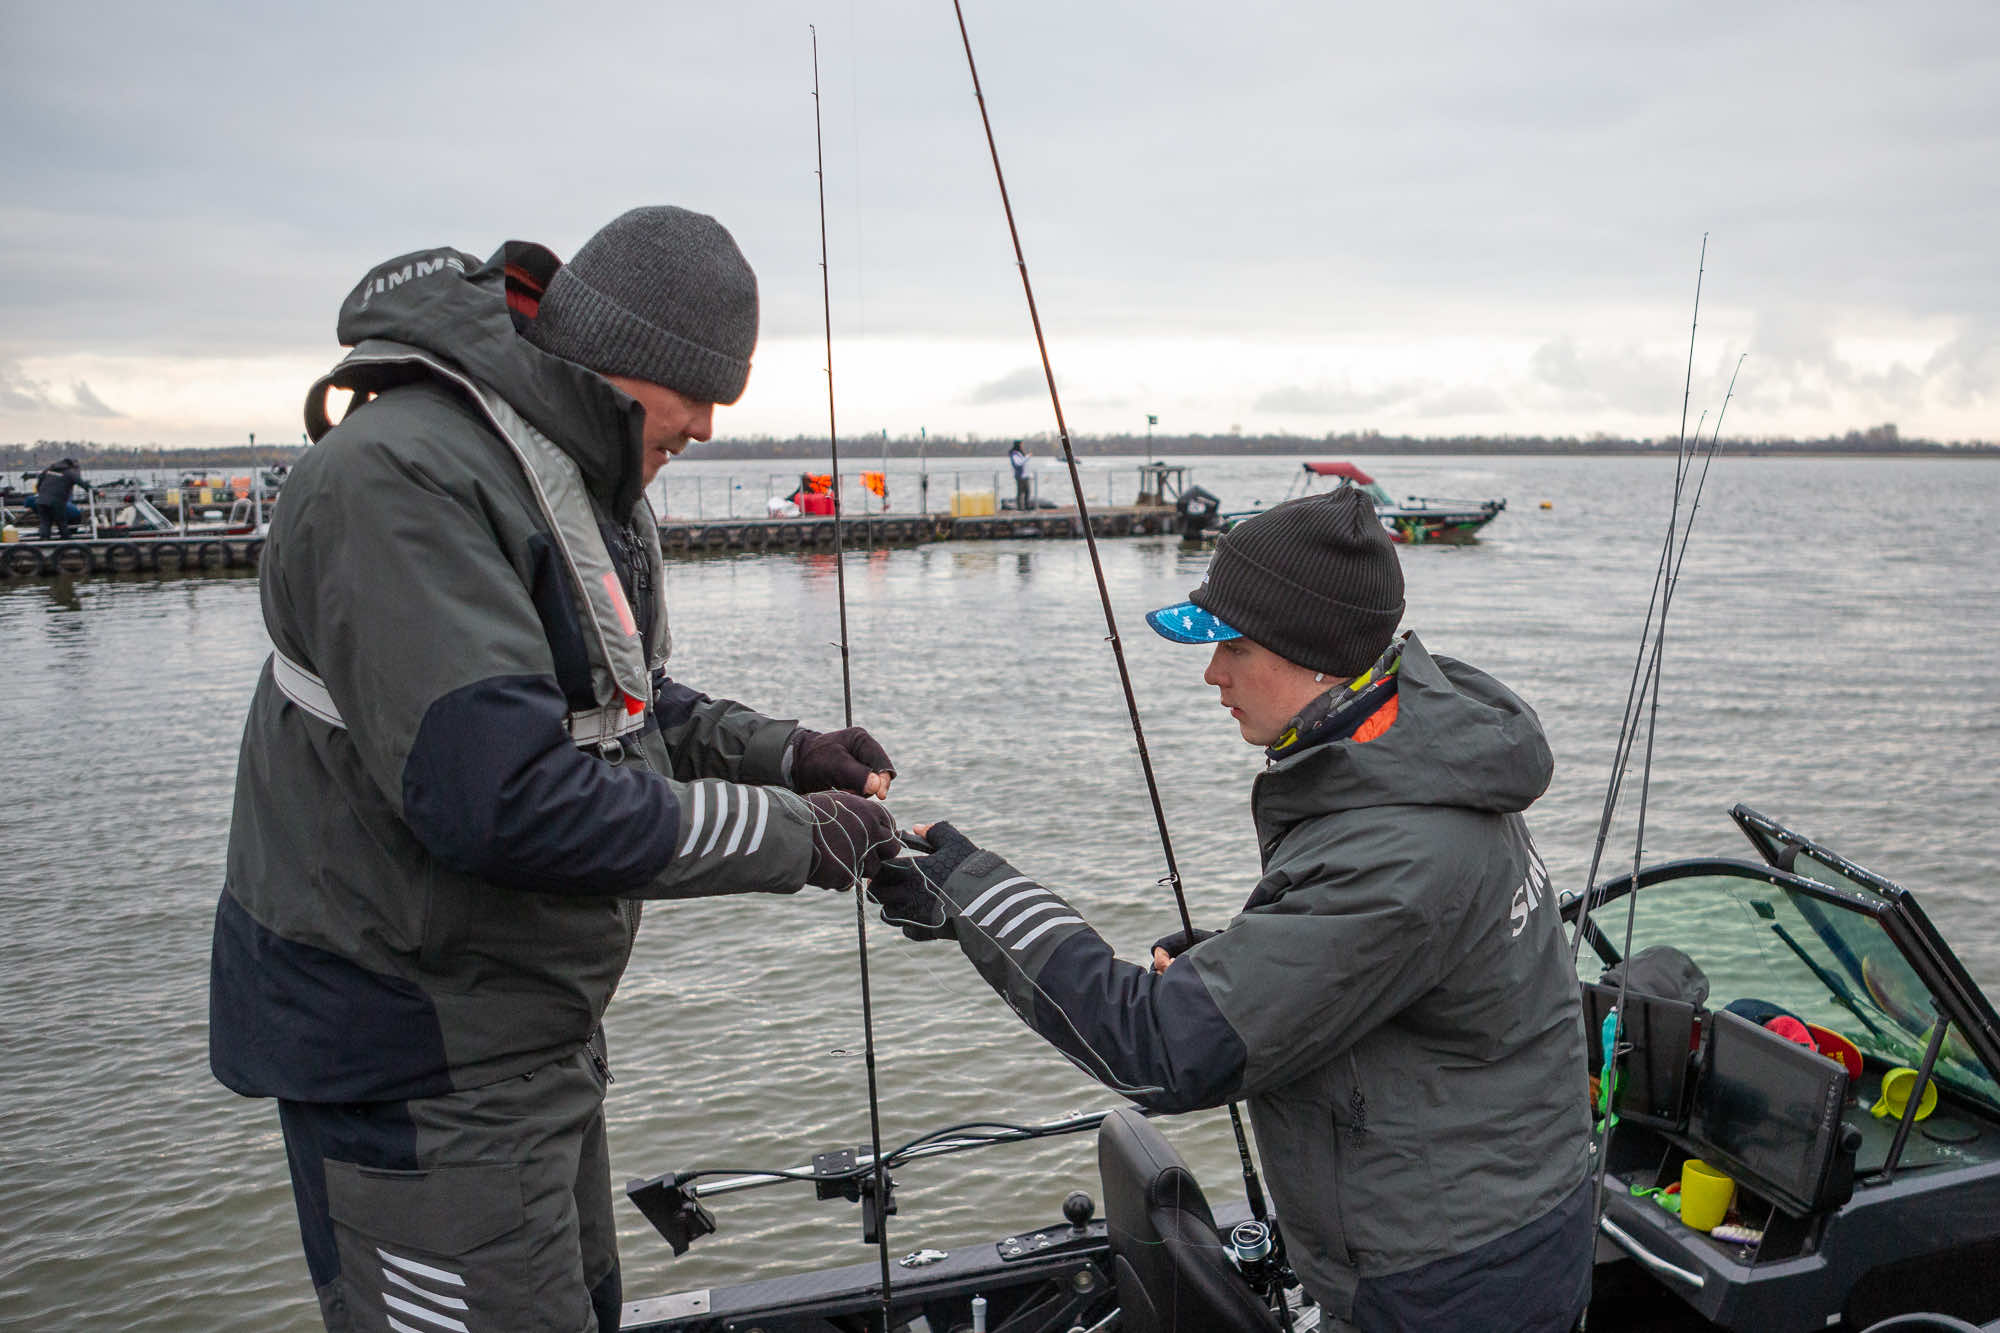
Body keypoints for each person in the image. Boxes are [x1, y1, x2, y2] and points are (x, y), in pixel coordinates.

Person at [209, 206, 902, 1333]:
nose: (710, 427)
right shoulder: (403, 477)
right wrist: (796, 837)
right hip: (416, 1056)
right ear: (625, 360)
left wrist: (787, 754)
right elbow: (504, 800)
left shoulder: (542, 463)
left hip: (523, 1032)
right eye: (698, 398)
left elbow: (611, 706)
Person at [870, 488, 1592, 1332]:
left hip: (1454, 1276)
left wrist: (976, 892)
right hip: (1478, 1225)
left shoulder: (1400, 848)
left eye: (1234, 647)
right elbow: (1392, 960)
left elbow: (1163, 1048)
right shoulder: (1414, 743)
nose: (1213, 673)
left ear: (1314, 656)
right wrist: (1238, 961)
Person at [33, 457, 87, 540]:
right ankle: (66, 542)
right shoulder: (69, 473)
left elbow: (39, 480)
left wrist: (41, 492)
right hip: (57, 502)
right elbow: (82, 483)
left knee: (45, 523)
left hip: (41, 501)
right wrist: (96, 492)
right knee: (62, 523)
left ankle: (44, 541)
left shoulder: (49, 470)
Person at [1008, 439, 1031, 510]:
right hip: (1020, 476)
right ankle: (1020, 507)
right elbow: (1018, 464)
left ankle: (1027, 506)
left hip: (1025, 476)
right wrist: (1027, 457)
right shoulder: (1014, 454)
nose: (1022, 446)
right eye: (1021, 444)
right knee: (1020, 493)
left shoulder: (1019, 453)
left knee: (1027, 492)